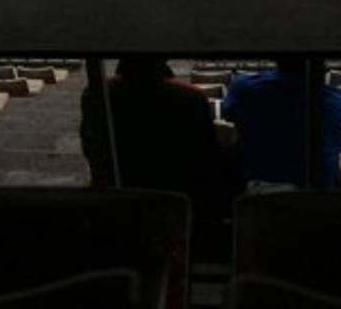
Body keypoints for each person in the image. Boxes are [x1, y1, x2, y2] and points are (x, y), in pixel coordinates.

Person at [81, 58, 235, 224]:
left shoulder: (98, 94)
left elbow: (91, 147)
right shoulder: (191, 97)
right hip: (178, 199)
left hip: (119, 201)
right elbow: (206, 154)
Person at [222, 59, 341, 188]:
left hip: (257, 190)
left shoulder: (243, 88)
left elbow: (228, 114)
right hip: (317, 193)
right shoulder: (339, 99)